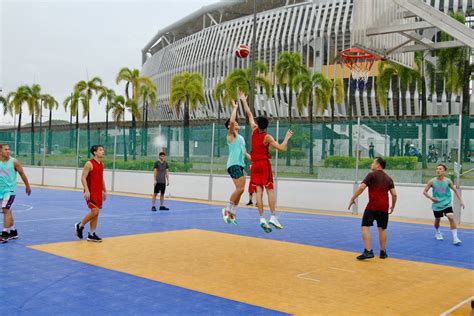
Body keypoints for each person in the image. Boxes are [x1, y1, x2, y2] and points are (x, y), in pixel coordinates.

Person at [241, 92, 293, 233]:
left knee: (258, 191)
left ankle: (262, 218)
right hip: (264, 164)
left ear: (257, 124)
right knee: (270, 190)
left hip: (254, 165)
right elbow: (281, 148)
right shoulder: (267, 137)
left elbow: (249, 114)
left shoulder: (253, 131)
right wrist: (287, 138)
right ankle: (273, 217)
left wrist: (244, 101)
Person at [348, 157, 397, 260]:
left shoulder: (371, 175)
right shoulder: (389, 178)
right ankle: (383, 252)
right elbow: (394, 194)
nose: (372, 164)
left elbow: (361, 187)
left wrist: (353, 198)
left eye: (373, 162)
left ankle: (368, 251)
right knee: (382, 229)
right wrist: (393, 205)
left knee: (365, 226)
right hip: (384, 207)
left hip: (373, 206)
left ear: (378, 164)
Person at [222, 99, 250, 224]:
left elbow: (245, 153)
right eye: (234, 123)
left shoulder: (241, 138)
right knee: (239, 189)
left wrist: (256, 159)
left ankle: (233, 212)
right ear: (229, 127)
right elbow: (232, 121)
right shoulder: (231, 136)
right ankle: (227, 209)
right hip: (233, 164)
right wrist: (235, 108)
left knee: (242, 189)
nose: (236, 123)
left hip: (240, 165)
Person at [423, 164, 464, 245]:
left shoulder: (448, 181)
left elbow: (455, 191)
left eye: (440, 169)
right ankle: (437, 232)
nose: (438, 170)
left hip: (447, 204)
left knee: (451, 217)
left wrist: (461, 201)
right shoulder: (432, 181)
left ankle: (455, 238)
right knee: (437, 220)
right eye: (437, 169)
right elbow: (424, 192)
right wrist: (431, 198)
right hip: (437, 205)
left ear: (444, 171)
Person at [0, 144, 31, 243]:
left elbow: (22, 173)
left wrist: (27, 186)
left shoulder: (14, 162)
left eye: (9, 149)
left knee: (6, 209)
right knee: (8, 211)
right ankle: (13, 232)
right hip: (1, 191)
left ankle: (5, 234)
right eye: (6, 149)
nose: (8, 151)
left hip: (10, 190)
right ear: (0, 151)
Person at [75, 145, 107, 242]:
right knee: (95, 211)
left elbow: (101, 178)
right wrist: (87, 190)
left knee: (96, 214)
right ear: (95, 152)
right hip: (91, 192)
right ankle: (80, 225)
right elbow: (83, 177)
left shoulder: (101, 164)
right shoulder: (89, 164)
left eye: (102, 149)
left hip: (98, 192)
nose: (103, 151)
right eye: (100, 150)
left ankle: (92, 234)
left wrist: (104, 190)